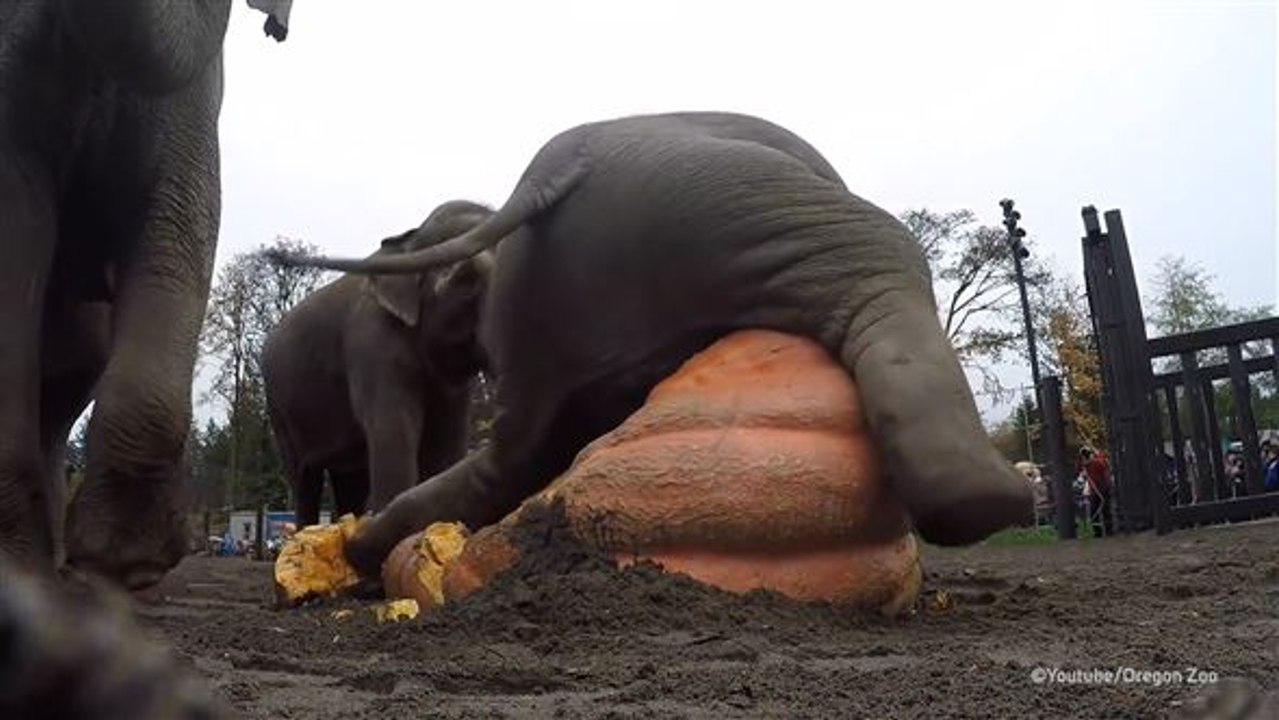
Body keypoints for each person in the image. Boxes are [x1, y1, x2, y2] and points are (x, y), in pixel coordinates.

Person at [1078, 447, 1114, 537]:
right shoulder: (1087, 466)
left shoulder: (1097, 463)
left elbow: (1104, 468)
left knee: (1105, 511)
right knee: (1094, 512)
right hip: (1094, 491)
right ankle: (1098, 532)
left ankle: (1109, 530)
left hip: (1101, 490)